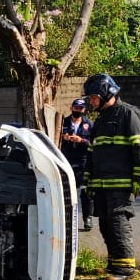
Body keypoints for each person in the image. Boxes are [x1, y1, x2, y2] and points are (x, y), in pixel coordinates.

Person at [84, 74, 140, 280]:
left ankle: (124, 268)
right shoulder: (101, 119)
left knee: (117, 222)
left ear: (107, 93)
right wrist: (89, 178)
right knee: (106, 223)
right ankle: (114, 263)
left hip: (121, 183)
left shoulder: (128, 114)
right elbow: (92, 151)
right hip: (102, 184)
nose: (91, 101)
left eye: (94, 97)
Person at [60, 97, 94, 231]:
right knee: (67, 192)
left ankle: (87, 218)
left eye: (80, 108)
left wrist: (81, 140)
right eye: (76, 108)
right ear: (71, 108)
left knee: (86, 192)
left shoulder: (89, 125)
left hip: (83, 161)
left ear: (84, 110)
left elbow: (94, 143)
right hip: (67, 160)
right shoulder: (63, 122)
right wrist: (64, 138)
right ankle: (67, 219)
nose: (78, 110)